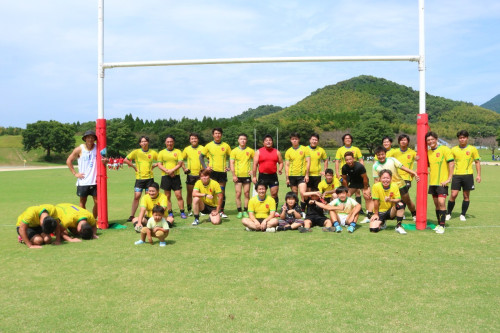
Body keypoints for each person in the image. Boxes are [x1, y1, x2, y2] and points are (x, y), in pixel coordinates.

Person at [373, 146, 419, 221]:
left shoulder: (392, 160)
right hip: (387, 187)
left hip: (400, 185)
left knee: (407, 201)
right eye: (378, 155)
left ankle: (414, 214)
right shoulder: (375, 166)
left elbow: (403, 168)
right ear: (376, 155)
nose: (381, 156)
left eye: (382, 154)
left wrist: (414, 173)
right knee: (387, 202)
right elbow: (376, 179)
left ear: (385, 154)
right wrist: (376, 190)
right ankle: (389, 218)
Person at [446, 130, 481, 221]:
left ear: (467, 138)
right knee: (453, 195)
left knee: (466, 196)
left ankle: (463, 214)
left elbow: (477, 162)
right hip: (456, 175)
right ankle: (448, 213)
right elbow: (450, 163)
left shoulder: (473, 149)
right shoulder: (453, 149)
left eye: (464, 138)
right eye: (460, 138)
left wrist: (478, 175)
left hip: (468, 175)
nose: (462, 139)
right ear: (458, 139)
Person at [66, 130, 100, 218]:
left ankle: (93, 220)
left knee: (97, 202)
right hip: (83, 181)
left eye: (92, 137)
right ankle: (84, 220)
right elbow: (69, 161)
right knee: (82, 202)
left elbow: (104, 158)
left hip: (95, 181)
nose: (90, 139)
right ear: (85, 138)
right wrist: (75, 173)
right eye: (88, 137)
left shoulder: (98, 148)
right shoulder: (79, 149)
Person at [123, 136, 158, 222]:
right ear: (140, 143)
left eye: (145, 141)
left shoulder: (153, 152)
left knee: (148, 197)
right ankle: (132, 215)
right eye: (142, 141)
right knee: (137, 196)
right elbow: (126, 160)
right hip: (139, 179)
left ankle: (147, 215)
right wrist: (134, 167)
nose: (144, 143)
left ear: (148, 142)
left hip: (149, 178)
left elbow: (160, 160)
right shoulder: (136, 152)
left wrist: (154, 166)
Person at [426, 131, 454, 234]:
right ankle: (439, 224)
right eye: (428, 140)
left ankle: (442, 226)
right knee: (437, 204)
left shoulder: (444, 149)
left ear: (436, 139)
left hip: (442, 182)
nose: (430, 141)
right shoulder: (428, 152)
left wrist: (449, 178)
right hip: (432, 183)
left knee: (442, 203)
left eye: (432, 139)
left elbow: (451, 164)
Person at [200, 128, 231, 218]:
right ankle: (210, 210)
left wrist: (228, 167)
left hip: (222, 173)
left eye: (219, 133)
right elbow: (201, 157)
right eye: (216, 133)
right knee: (211, 192)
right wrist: (205, 168)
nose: (217, 135)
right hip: (212, 172)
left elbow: (231, 157)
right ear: (213, 135)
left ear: (221, 135)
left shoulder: (226, 146)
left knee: (221, 192)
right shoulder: (208, 145)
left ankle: (221, 211)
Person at [156, 135, 186, 219]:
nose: (169, 143)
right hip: (165, 176)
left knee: (179, 195)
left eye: (171, 141)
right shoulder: (161, 152)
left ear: (174, 142)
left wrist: (172, 170)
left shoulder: (178, 151)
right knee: (167, 196)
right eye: (168, 142)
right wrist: (167, 171)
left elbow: (180, 163)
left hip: (176, 176)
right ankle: (170, 212)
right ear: (165, 143)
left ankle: (182, 212)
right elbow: (159, 164)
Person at [369, 170, 407, 234]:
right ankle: (382, 222)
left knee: (400, 204)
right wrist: (375, 214)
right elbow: (376, 201)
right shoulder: (376, 186)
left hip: (390, 211)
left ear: (391, 178)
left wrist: (390, 200)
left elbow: (398, 199)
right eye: (384, 178)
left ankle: (398, 226)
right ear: (380, 178)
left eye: (388, 178)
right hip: (380, 212)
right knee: (373, 229)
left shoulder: (394, 185)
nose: (386, 180)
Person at [252, 134, 284, 209]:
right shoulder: (258, 152)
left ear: (272, 142)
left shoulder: (276, 152)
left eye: (270, 140)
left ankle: (274, 210)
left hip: (273, 176)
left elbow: (281, 162)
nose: (268, 142)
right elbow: (255, 164)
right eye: (266, 141)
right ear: (263, 143)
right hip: (262, 176)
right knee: (262, 193)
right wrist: (254, 176)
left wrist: (280, 169)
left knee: (274, 194)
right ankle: (262, 209)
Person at [390, 134, 418, 217]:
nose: (403, 141)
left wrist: (414, 173)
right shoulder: (394, 152)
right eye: (401, 140)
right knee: (400, 197)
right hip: (395, 178)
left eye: (405, 140)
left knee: (403, 198)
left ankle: (410, 214)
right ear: (399, 141)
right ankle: (408, 213)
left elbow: (420, 161)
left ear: (408, 142)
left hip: (406, 178)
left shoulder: (412, 152)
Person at [340, 151, 373, 223]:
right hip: (353, 183)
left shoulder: (359, 166)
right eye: (347, 160)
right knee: (346, 195)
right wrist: (346, 189)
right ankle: (346, 212)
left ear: (353, 159)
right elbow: (344, 179)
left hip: (363, 183)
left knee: (367, 196)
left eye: (350, 159)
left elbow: (365, 178)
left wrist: (365, 188)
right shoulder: (344, 167)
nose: (349, 161)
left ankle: (369, 215)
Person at [335, 134, 365, 212]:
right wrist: (337, 172)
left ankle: (359, 208)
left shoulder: (356, 149)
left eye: (349, 138)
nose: (347, 139)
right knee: (345, 190)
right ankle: (347, 207)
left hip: (355, 173)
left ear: (351, 140)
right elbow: (337, 161)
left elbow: (361, 160)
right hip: (344, 173)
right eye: (346, 138)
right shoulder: (340, 150)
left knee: (357, 190)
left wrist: (362, 169)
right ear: (343, 140)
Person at [230, 133, 255, 218]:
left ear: (246, 140)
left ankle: (245, 210)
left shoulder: (250, 150)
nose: (243, 140)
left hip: (247, 176)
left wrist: (253, 171)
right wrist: (233, 175)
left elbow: (256, 162)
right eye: (241, 139)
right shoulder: (234, 151)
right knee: (238, 193)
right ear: (238, 140)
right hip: (237, 176)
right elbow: (232, 163)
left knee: (246, 193)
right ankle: (239, 211)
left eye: (244, 139)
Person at [285, 132, 310, 212]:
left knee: (303, 193)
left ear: (299, 139)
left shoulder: (304, 149)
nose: (294, 140)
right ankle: (296, 209)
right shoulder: (288, 151)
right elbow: (287, 165)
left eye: (296, 139)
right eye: (293, 139)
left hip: (302, 175)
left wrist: (307, 175)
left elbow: (308, 162)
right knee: (294, 194)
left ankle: (302, 210)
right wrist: (287, 178)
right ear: (290, 140)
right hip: (292, 175)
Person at [182, 133, 204, 216]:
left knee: (200, 192)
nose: (194, 140)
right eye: (192, 139)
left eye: (195, 138)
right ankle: (190, 210)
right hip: (191, 175)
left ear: (198, 139)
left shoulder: (202, 148)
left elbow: (209, 158)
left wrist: (206, 168)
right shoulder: (187, 149)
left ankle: (201, 209)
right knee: (190, 193)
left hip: (200, 175)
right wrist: (184, 169)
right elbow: (180, 160)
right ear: (189, 140)